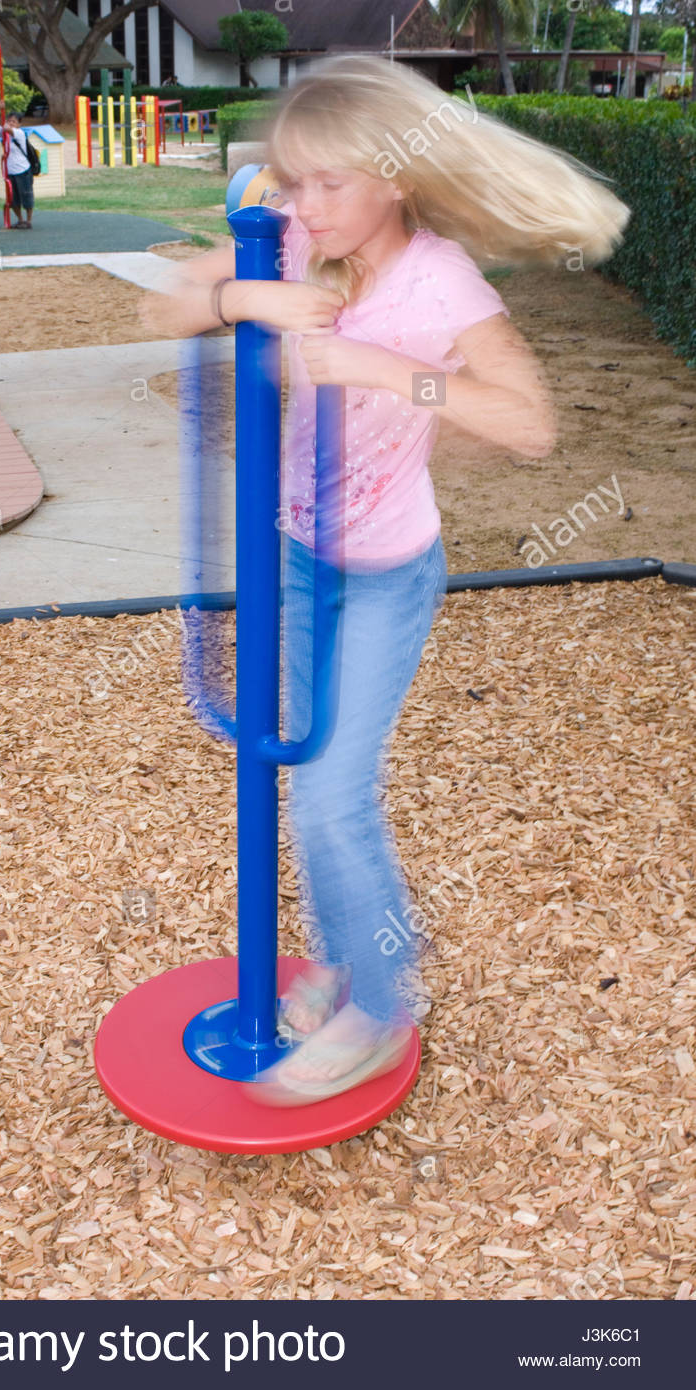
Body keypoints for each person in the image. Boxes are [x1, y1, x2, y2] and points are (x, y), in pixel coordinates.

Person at [139, 55, 630, 1105]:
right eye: (293, 180)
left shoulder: (435, 281)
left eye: (329, 183)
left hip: (385, 574)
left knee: (326, 794)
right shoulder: (299, 239)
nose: (302, 205)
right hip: (299, 557)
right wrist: (239, 289)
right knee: (306, 779)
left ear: (394, 178)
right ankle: (346, 959)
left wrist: (382, 370)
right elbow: (165, 312)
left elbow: (530, 425)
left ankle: (378, 1006)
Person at [0, 104, 35, 230]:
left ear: (19, 124)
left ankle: (28, 220)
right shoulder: (4, 134)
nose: (11, 123)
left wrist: (6, 125)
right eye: (9, 120)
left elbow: (7, 129)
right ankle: (20, 220)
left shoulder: (19, 133)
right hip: (10, 171)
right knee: (13, 198)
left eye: (14, 122)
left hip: (22, 170)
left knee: (26, 195)